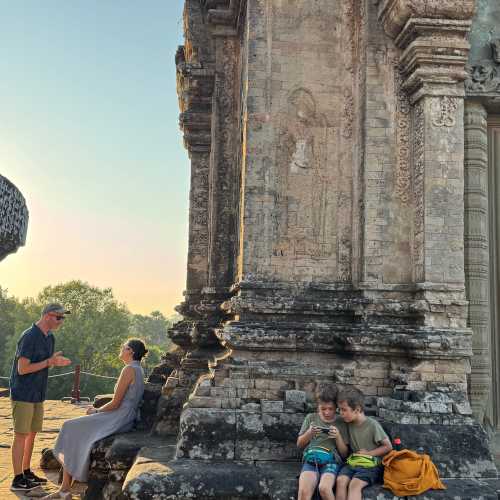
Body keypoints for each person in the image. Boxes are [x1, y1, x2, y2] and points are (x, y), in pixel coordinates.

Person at [44, 338, 148, 499]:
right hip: (126, 416)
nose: (121, 348)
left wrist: (95, 410)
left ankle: (64, 489)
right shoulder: (139, 369)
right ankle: (64, 489)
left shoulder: (129, 369)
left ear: (131, 352)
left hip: (118, 416)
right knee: (74, 432)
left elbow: (115, 403)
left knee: (68, 427)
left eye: (124, 347)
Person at [9, 303, 72, 492]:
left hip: (38, 392)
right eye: (59, 317)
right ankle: (17, 478)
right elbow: (23, 369)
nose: (62, 321)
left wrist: (54, 363)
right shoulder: (29, 337)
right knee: (21, 435)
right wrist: (49, 362)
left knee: (32, 433)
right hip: (23, 393)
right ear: (47, 316)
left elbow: (43, 364)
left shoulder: (49, 337)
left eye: (63, 318)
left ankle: (26, 472)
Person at [335, 388, 392, 500]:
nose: (341, 414)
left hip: (371, 465)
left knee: (354, 485)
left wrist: (369, 453)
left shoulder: (372, 425)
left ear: (357, 410)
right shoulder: (348, 423)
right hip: (353, 463)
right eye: (339, 410)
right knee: (340, 481)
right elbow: (344, 452)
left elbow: (388, 446)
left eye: (344, 410)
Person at [297, 383, 348, 500]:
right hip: (311, 459)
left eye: (331, 409)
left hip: (331, 461)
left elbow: (345, 454)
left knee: (324, 488)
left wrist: (338, 437)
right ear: (317, 406)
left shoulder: (341, 422)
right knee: (304, 493)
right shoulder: (311, 418)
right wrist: (309, 433)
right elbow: (299, 444)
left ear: (337, 407)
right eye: (323, 409)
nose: (327, 412)